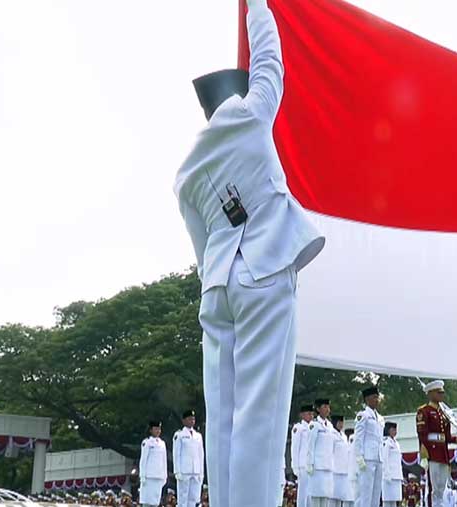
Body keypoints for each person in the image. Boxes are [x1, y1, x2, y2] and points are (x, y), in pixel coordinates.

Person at [174, 0, 326, 503]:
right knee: (260, 414)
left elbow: (201, 248)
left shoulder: (187, 171)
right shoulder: (250, 114)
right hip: (264, 270)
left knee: (221, 416)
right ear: (234, 96)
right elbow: (270, 61)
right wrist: (257, 6)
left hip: (217, 286)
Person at [417, 380, 457, 507]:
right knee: (433, 489)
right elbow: (422, 434)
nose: (442, 395)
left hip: (442, 452)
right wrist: (424, 453)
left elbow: (446, 436)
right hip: (432, 452)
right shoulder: (424, 411)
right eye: (438, 393)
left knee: (441, 488)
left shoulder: (443, 413)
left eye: (442, 393)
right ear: (430, 394)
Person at [354, 386, 385, 507]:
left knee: (376, 493)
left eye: (377, 397)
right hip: (367, 458)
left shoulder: (380, 418)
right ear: (367, 399)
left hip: (378, 457)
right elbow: (358, 438)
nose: (376, 400)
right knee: (365, 492)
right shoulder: (363, 415)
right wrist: (359, 456)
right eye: (374, 397)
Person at [306, 399, 336, 507]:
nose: (327, 409)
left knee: (326, 498)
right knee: (316, 497)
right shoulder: (314, 425)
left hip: (328, 466)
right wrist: (309, 464)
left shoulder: (330, 426)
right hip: (317, 467)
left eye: (328, 407)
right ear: (318, 409)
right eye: (324, 407)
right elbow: (310, 446)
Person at [173, 410, 204, 507]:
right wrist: (177, 471)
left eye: (193, 419)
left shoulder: (198, 436)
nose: (192, 421)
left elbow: (200, 455)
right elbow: (176, 454)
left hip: (195, 471)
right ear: (184, 421)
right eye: (189, 419)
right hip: (184, 471)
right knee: (183, 498)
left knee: (193, 498)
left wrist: (201, 472)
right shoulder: (179, 435)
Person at [139, 421, 168, 507]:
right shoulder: (147, 442)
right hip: (149, 477)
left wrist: (165, 476)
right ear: (150, 430)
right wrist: (142, 475)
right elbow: (143, 460)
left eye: (159, 429)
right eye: (156, 429)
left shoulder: (162, 443)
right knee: (147, 502)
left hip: (158, 476)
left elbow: (164, 461)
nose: (158, 431)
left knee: (155, 502)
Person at [292, 404, 315, 507]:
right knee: (303, 492)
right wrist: (295, 466)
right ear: (302, 415)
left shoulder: (314, 427)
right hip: (302, 465)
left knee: (311, 492)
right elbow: (295, 447)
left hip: (311, 465)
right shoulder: (299, 428)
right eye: (309, 413)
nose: (311, 416)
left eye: (312, 414)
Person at [331, 415, 354, 507]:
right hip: (334, 470)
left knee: (342, 496)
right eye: (339, 422)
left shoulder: (344, 436)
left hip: (344, 470)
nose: (341, 425)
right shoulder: (331, 434)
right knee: (333, 498)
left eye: (342, 423)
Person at [381, 422, 403, 507]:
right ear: (388, 430)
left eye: (395, 430)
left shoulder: (396, 443)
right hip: (389, 475)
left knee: (394, 500)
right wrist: (386, 474)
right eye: (393, 429)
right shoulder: (386, 442)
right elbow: (384, 458)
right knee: (387, 501)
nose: (395, 431)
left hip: (396, 475)